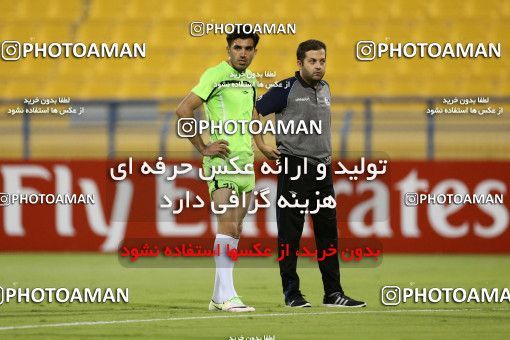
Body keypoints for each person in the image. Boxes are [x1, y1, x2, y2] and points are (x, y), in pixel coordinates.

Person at [253, 39, 366, 308]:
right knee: (290, 235)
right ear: (299, 63)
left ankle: (333, 293)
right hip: (294, 166)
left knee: (328, 234)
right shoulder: (285, 88)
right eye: (313, 61)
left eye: (322, 61)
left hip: (322, 169)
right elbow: (255, 110)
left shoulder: (326, 88)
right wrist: (261, 144)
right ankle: (292, 293)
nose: (318, 66)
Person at [175, 32, 260, 312]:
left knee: (236, 228)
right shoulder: (215, 74)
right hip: (222, 159)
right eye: (237, 48)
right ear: (228, 49)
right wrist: (202, 147)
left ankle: (217, 296)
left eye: (248, 48)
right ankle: (227, 297)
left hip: (245, 161)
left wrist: (261, 145)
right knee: (227, 224)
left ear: (254, 52)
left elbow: (253, 116)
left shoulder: (251, 80)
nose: (243, 53)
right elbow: (183, 109)